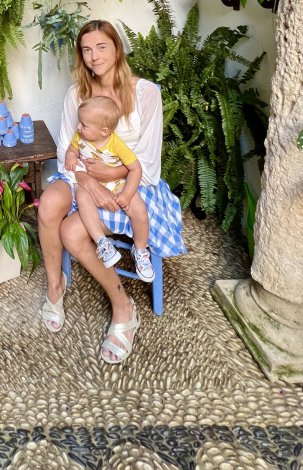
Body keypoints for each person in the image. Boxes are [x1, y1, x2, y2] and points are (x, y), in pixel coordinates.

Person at [38, 20, 186, 364]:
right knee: (48, 204)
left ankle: (123, 308)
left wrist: (111, 174)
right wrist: (88, 181)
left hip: (131, 183)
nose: (93, 56)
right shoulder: (77, 94)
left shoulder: (146, 93)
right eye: (86, 50)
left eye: (101, 47)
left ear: (117, 48)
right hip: (82, 175)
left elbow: (149, 164)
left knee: (71, 231)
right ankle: (54, 286)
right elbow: (64, 153)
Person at [64, 96, 154, 282]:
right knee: (82, 197)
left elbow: (135, 169)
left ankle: (141, 250)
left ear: (104, 131)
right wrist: (71, 156)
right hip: (89, 181)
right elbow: (72, 149)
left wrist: (127, 194)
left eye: (84, 125)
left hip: (117, 182)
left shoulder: (116, 144)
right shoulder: (80, 136)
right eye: (80, 123)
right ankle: (102, 243)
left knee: (139, 210)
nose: (79, 127)